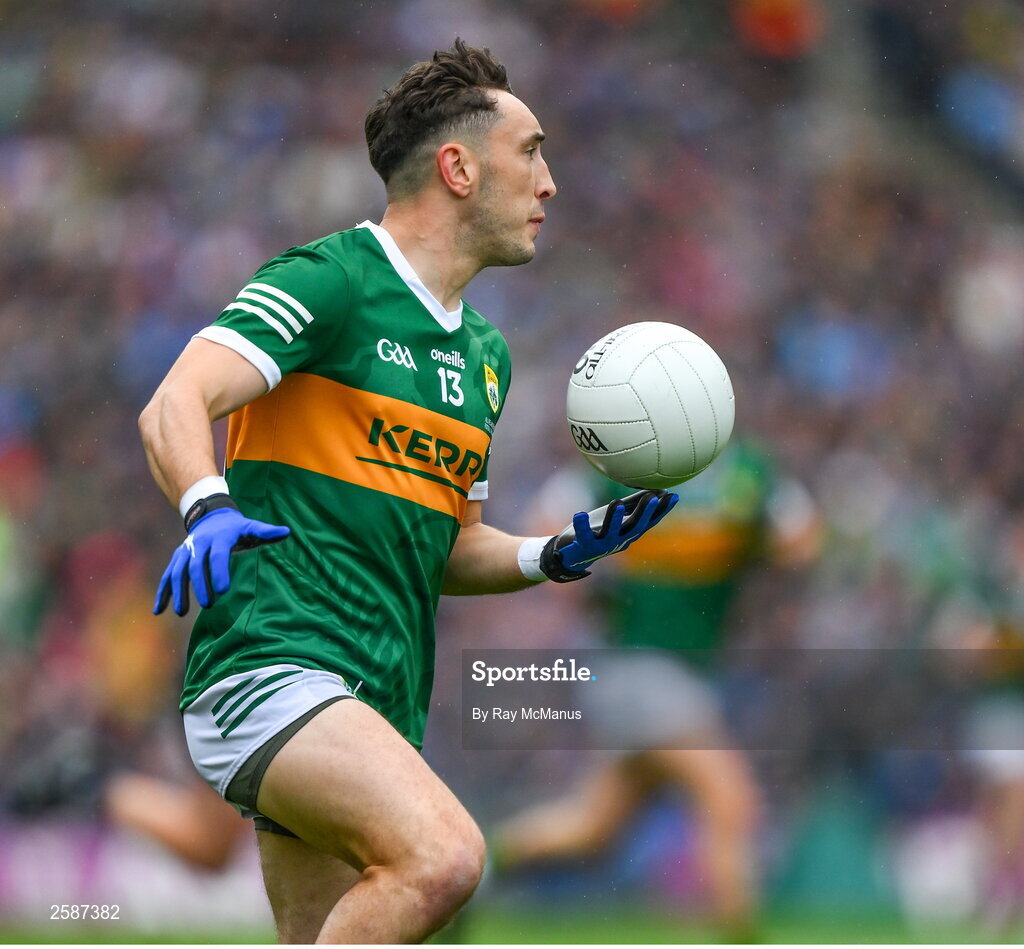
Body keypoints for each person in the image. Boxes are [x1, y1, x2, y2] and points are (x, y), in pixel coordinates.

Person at [138, 39, 677, 944]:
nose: (549, 184)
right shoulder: (332, 280)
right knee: (447, 857)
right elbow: (174, 400)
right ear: (458, 167)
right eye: (532, 151)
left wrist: (553, 553)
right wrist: (206, 504)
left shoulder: (486, 360)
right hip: (271, 666)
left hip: (376, 699)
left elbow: (450, 547)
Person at [492, 438, 820, 941]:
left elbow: (802, 543)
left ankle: (480, 865)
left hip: (677, 672)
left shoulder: (746, 472)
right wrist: (599, 570)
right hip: (639, 666)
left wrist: (745, 541)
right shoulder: (629, 469)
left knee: (593, 830)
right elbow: (542, 528)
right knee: (730, 801)